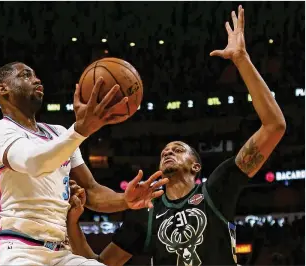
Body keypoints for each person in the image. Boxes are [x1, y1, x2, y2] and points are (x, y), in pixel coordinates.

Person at [66, 6, 286, 266]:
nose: (168, 151)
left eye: (178, 149)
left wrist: (241, 59)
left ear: (196, 165)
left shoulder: (216, 189)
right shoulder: (145, 213)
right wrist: (73, 223)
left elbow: (274, 126)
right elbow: (98, 264)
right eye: (164, 152)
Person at [0, 60, 167, 266]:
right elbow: (33, 163)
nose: (36, 79)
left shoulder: (59, 134)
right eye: (26, 75)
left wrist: (126, 200)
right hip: (17, 250)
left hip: (61, 253)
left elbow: (92, 190)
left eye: (35, 75)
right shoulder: (0, 132)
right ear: (3, 89)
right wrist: (80, 131)